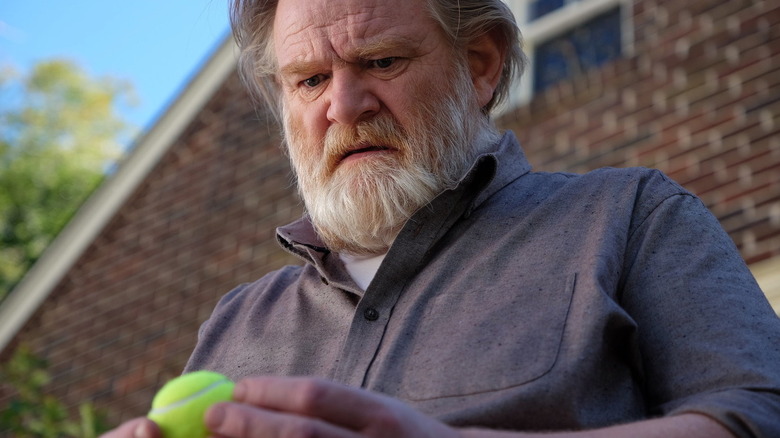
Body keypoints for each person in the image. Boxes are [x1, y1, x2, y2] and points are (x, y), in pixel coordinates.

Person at [102, 0, 780, 437]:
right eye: (308, 80)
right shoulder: (238, 319)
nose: (343, 105)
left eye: (381, 61)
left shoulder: (629, 215)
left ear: (479, 66)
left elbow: (757, 417)